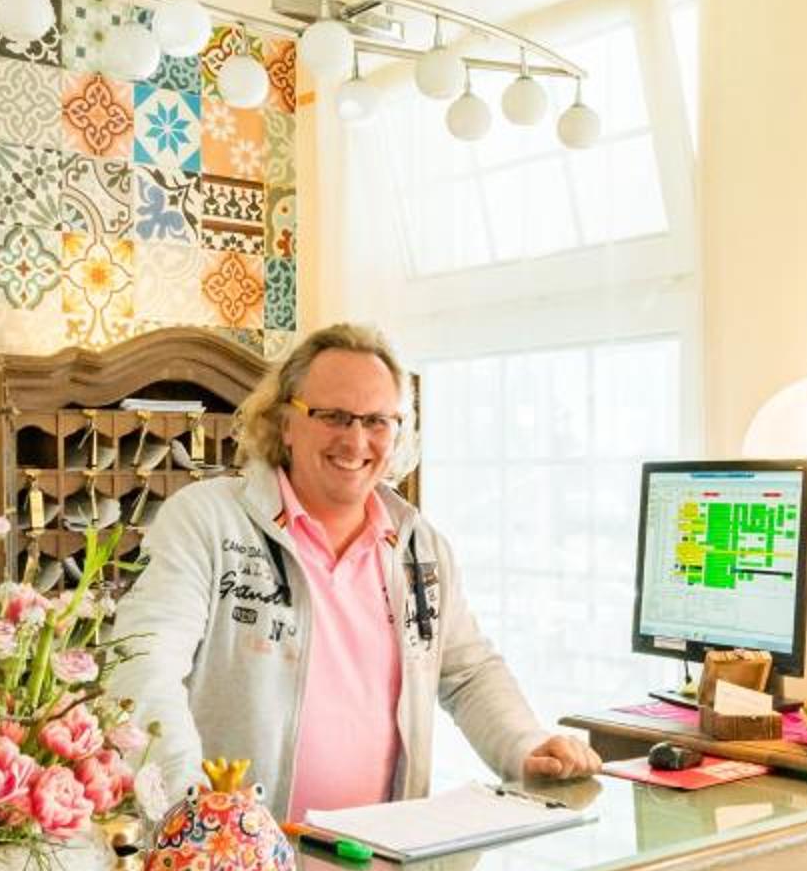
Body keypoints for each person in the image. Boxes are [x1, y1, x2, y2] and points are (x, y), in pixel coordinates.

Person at [105, 322, 603, 818]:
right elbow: (143, 664)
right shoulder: (208, 520)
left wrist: (525, 746)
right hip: (232, 854)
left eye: (377, 421)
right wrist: (190, 808)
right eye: (334, 416)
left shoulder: (419, 546)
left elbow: (468, 673)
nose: (355, 440)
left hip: (382, 851)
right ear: (285, 422)